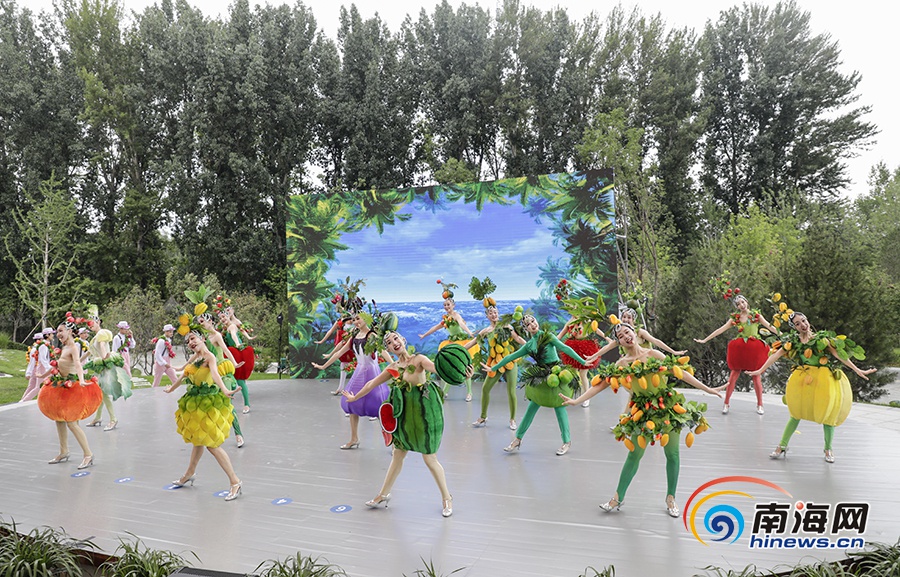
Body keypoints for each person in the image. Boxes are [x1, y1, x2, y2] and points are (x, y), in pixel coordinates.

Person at [561, 322, 723, 517]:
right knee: (634, 455)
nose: (626, 336)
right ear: (619, 342)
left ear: (634, 333)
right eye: (621, 336)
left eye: (627, 332)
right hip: (642, 413)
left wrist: (708, 389)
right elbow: (600, 385)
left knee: (672, 454)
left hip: (667, 409)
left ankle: (670, 498)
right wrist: (577, 400)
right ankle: (617, 498)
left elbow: (682, 374)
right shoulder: (622, 365)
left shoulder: (654, 355)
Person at [343, 331, 469, 517]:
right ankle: (383, 494)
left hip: (424, 414)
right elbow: (371, 384)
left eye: (396, 338)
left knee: (429, 458)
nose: (393, 342)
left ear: (402, 340)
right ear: (387, 349)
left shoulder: (419, 360)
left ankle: (447, 497)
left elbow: (439, 369)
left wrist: (463, 375)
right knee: (397, 455)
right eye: (388, 342)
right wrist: (355, 397)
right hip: (404, 416)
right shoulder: (393, 368)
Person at [748, 312, 875, 463]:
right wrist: (760, 370)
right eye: (797, 323)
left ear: (807, 320)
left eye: (803, 320)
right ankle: (782, 446)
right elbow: (775, 355)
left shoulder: (821, 339)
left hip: (823, 380)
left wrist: (857, 370)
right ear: (794, 327)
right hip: (804, 379)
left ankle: (828, 449)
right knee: (796, 413)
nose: (802, 325)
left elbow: (838, 355)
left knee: (828, 414)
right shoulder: (793, 342)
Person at [482, 314, 601, 456]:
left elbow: (565, 348)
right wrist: (493, 368)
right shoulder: (529, 345)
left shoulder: (548, 336)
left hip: (556, 375)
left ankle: (566, 441)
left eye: (533, 321)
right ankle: (517, 439)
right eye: (528, 324)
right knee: (531, 409)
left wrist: (582, 361)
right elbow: (510, 357)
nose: (532, 324)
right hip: (541, 378)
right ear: (526, 329)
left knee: (560, 408)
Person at [164, 331, 242, 501]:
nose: (190, 342)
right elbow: (183, 376)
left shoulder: (209, 357)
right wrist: (171, 389)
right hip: (195, 403)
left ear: (202, 338)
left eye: (193, 338)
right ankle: (189, 473)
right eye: (188, 341)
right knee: (197, 441)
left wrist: (225, 390)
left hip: (208, 405)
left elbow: (215, 374)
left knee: (211, 445)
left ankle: (235, 481)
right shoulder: (195, 358)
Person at [312, 312, 392, 449]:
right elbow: (339, 353)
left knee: (378, 404)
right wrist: (323, 366)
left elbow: (383, 351)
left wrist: (394, 365)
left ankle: (393, 442)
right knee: (351, 402)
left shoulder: (372, 336)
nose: (355, 321)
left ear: (366, 319)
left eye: (358, 319)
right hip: (359, 372)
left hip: (372, 372)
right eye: (354, 319)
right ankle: (354, 438)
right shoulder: (354, 336)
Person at [694, 293, 778, 415]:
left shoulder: (756, 315)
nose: (741, 305)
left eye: (743, 302)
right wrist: (705, 339)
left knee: (756, 376)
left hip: (754, 348)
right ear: (737, 307)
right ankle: (726, 403)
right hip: (740, 348)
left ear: (747, 302)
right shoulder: (735, 318)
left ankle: (760, 404)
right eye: (738, 304)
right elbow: (721, 329)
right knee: (733, 375)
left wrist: (782, 335)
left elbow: (770, 327)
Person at [37, 320, 102, 469]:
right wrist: (43, 375)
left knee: (72, 423)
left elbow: (78, 364)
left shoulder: (73, 347)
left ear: (70, 331)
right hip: (62, 387)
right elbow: (59, 366)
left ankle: (88, 454)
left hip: (73, 389)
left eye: (61, 331)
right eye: (57, 331)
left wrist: (81, 380)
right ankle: (64, 451)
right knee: (59, 419)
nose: (58, 334)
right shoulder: (64, 347)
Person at [464, 304, 526, 430]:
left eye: (495, 312)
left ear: (498, 313)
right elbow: (473, 342)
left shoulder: (507, 326)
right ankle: (483, 417)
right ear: (487, 316)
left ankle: (512, 419)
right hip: (495, 363)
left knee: (511, 391)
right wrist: (458, 350)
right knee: (485, 389)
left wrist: (530, 346)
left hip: (509, 361)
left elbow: (518, 338)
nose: (493, 314)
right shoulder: (486, 331)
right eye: (490, 313)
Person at [419, 286, 476, 401]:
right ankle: (444, 392)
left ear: (453, 305)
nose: (446, 307)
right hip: (451, 344)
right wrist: (424, 335)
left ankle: (469, 392)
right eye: (445, 305)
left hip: (461, 343)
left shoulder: (456, 315)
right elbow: (435, 327)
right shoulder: (445, 318)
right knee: (449, 367)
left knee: (466, 368)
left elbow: (461, 324)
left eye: (448, 305)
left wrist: (470, 332)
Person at [84, 316, 133, 431]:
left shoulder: (102, 333)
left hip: (105, 367)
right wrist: (77, 361)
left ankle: (113, 419)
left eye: (92, 323)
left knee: (104, 394)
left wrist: (104, 356)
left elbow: (102, 346)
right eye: (89, 325)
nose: (90, 326)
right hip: (99, 368)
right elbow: (89, 352)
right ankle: (98, 417)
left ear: (98, 321)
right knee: (101, 393)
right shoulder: (95, 337)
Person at [220, 310, 254, 414]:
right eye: (220, 318)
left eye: (224, 317)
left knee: (239, 380)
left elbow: (234, 335)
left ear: (228, 316)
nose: (222, 319)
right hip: (232, 354)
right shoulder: (226, 328)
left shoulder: (232, 327)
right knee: (232, 379)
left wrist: (237, 344)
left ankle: (246, 404)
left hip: (238, 353)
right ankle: (228, 403)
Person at [19, 333, 45, 402]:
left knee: (31, 386)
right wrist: (28, 373)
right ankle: (24, 401)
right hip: (38, 369)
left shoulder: (34, 348)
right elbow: (32, 362)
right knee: (37, 387)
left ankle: (22, 401)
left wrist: (29, 372)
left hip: (34, 369)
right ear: (40, 340)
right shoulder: (36, 349)